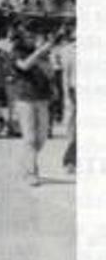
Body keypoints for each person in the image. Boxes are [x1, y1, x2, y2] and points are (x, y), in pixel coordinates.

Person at [7, 25, 58, 186]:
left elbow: (50, 73)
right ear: (21, 39)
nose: (32, 39)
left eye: (33, 37)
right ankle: (31, 172)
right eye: (28, 37)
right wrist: (41, 51)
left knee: (42, 138)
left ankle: (28, 162)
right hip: (25, 98)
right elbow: (24, 66)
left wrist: (53, 83)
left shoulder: (43, 54)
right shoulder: (16, 53)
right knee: (30, 137)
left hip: (42, 97)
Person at [60, 24, 76, 174]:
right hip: (74, 91)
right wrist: (66, 96)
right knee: (73, 128)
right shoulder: (68, 50)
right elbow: (65, 76)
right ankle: (70, 161)